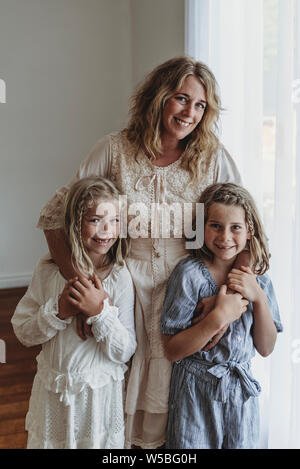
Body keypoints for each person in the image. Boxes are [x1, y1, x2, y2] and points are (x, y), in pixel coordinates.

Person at [37, 56, 244, 448]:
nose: (190, 113)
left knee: (178, 416)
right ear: (158, 97)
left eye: (200, 105)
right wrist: (84, 288)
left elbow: (246, 232)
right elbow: (54, 218)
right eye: (182, 99)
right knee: (121, 406)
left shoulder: (213, 156)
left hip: (188, 295)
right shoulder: (114, 150)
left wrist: (225, 298)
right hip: (124, 292)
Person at [11, 177, 136, 449]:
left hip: (97, 407)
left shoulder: (120, 277)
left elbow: (125, 350)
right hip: (53, 401)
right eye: (94, 220)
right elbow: (23, 331)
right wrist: (59, 310)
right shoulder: (47, 271)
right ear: (74, 222)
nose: (106, 230)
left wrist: (100, 312)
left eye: (114, 220)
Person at [160, 183, 283, 449]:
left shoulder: (260, 280)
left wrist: (258, 298)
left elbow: (266, 347)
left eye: (235, 227)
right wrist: (217, 318)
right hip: (195, 395)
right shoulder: (188, 275)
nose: (225, 236)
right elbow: (172, 350)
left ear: (249, 231)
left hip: (241, 397)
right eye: (215, 225)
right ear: (201, 227)